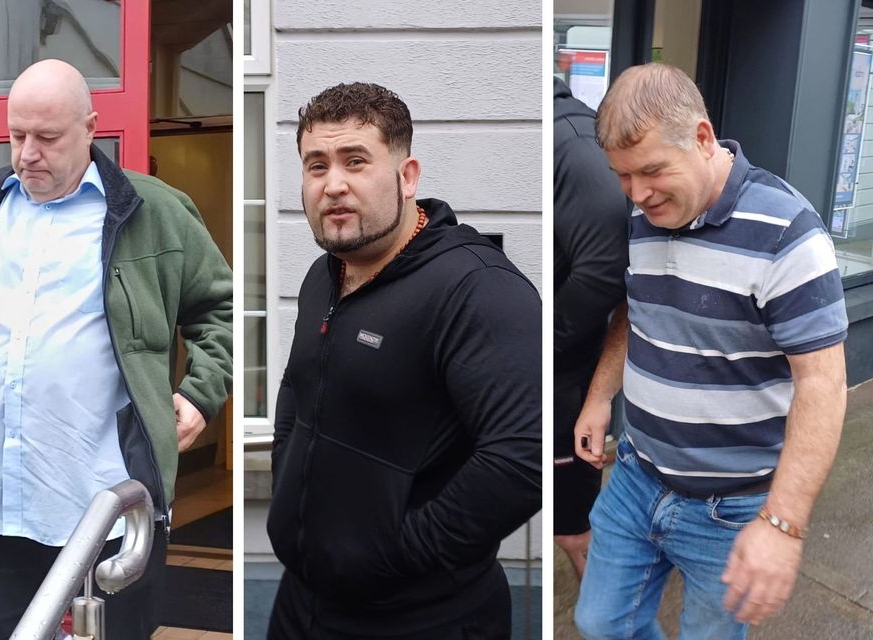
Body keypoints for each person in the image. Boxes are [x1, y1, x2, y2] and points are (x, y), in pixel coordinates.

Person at [0, 59, 233, 639]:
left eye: (47, 137)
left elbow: (223, 308)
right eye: (17, 135)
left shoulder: (154, 211)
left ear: (90, 128)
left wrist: (200, 393)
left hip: (107, 507)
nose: (27, 154)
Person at [573, 62, 848, 638]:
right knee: (598, 623)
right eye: (623, 176)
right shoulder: (645, 214)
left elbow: (822, 385)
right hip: (637, 476)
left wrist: (782, 523)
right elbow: (635, 310)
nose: (637, 193)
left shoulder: (787, 234)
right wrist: (599, 398)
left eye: (651, 171)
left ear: (702, 138)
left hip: (732, 508)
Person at [265, 82, 542, 638]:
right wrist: (286, 490)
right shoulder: (325, 274)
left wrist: (397, 555)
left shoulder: (477, 287)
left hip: (423, 618)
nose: (333, 184)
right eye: (316, 165)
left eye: (356, 161)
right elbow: (299, 388)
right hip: (302, 601)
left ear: (407, 176)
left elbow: (521, 457)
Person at [553, 76, 630, 577]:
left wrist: (539, 345)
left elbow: (604, 273)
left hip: (564, 383)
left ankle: (604, 610)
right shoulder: (558, 137)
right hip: (553, 376)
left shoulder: (575, 147)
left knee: (573, 530)